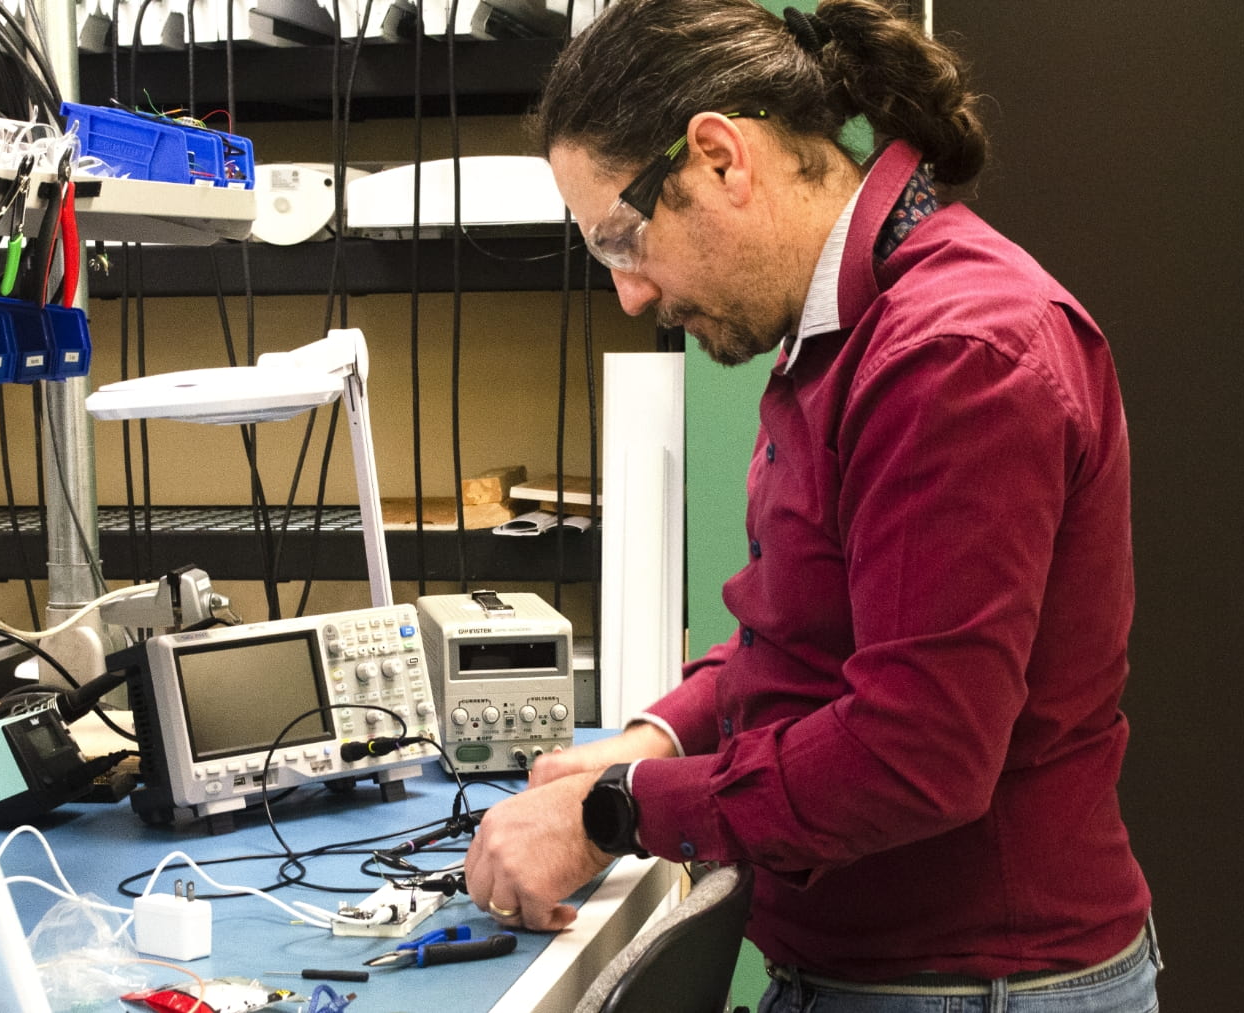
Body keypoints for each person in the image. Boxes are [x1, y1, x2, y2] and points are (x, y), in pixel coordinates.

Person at [460, 2, 1161, 1010]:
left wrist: (612, 814)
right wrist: (657, 735)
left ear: (717, 158)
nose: (631, 292)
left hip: (977, 984)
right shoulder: (842, 326)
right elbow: (807, 635)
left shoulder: (953, 355)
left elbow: (916, 751)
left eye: (623, 238)